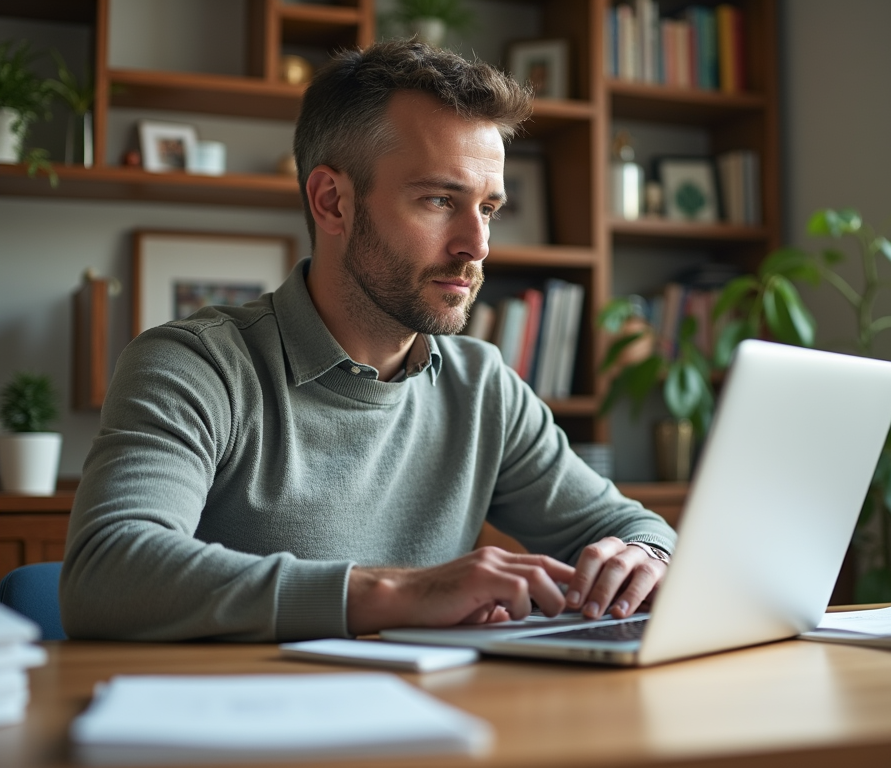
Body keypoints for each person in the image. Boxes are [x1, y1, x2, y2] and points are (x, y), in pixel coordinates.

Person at [60, 40, 676, 642]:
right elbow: (107, 571)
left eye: (488, 208)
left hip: (433, 727)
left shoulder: (482, 385)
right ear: (333, 202)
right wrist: (399, 595)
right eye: (439, 199)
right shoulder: (196, 366)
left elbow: (630, 525)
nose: (477, 245)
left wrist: (643, 557)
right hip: (242, 733)